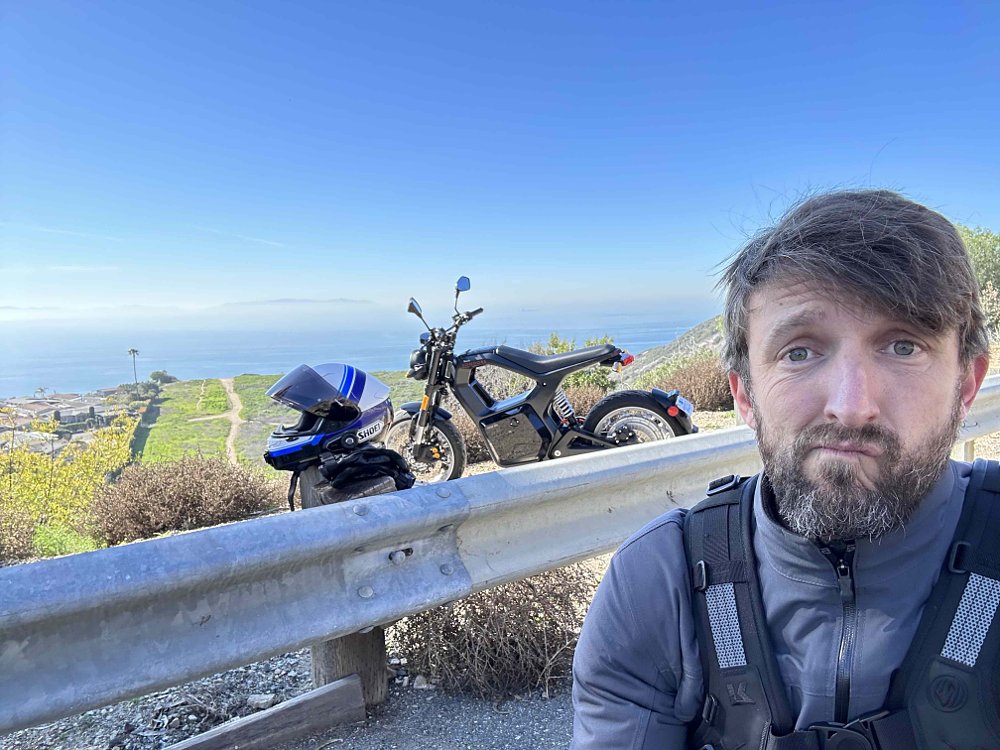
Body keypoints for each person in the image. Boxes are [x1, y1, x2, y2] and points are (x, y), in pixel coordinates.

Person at [571, 189, 998, 749]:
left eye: (902, 346)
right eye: (800, 351)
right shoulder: (658, 583)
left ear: (965, 383)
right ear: (744, 393)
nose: (851, 405)